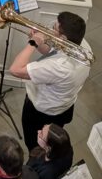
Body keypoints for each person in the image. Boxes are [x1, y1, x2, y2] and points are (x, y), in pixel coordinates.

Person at [9, 11, 91, 150]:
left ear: (63, 37)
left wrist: (32, 43)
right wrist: (39, 41)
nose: (50, 29)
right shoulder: (82, 46)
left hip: (41, 113)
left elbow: (15, 69)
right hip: (64, 105)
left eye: (54, 28)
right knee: (50, 141)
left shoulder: (58, 67)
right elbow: (51, 52)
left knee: (35, 146)